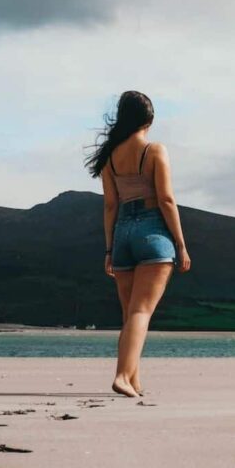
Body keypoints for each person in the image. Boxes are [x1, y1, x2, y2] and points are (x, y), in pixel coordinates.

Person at [84, 90, 191, 397]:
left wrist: (108, 248)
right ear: (150, 118)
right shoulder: (155, 150)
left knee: (130, 313)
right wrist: (181, 245)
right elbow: (166, 199)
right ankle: (121, 376)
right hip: (153, 230)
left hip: (122, 234)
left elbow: (109, 206)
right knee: (141, 312)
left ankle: (134, 379)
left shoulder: (111, 157)